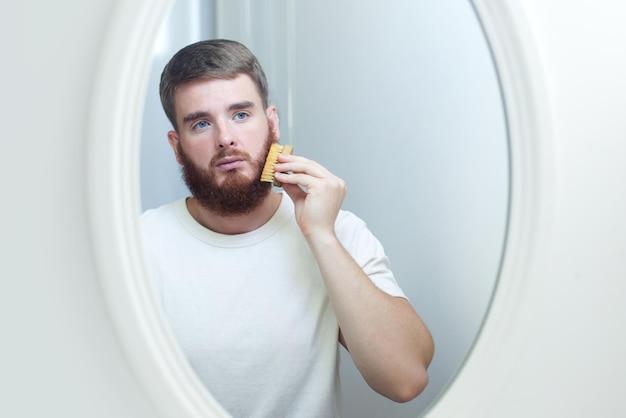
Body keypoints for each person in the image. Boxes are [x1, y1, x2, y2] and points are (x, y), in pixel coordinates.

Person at [141, 39, 434, 418]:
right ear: (177, 146)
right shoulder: (138, 245)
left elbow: (405, 378)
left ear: (273, 123)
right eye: (201, 123)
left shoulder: (334, 229)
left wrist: (321, 237)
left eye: (241, 115)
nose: (226, 138)